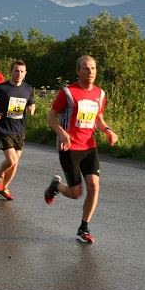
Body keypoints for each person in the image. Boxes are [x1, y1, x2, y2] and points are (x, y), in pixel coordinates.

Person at [44, 55, 118, 243]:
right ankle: (56, 186)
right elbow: (51, 117)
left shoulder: (100, 94)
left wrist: (108, 130)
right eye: (85, 68)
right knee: (76, 193)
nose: (90, 72)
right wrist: (61, 132)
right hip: (69, 147)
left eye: (92, 68)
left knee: (94, 186)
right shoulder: (68, 93)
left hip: (89, 146)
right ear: (78, 71)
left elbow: (98, 118)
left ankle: (83, 227)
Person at [0, 60, 35, 200]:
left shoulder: (28, 88)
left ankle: (4, 187)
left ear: (25, 73)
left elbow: (31, 102)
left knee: (15, 163)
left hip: (19, 129)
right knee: (11, 160)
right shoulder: (2, 88)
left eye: (21, 71)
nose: (19, 74)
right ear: (11, 72)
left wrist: (32, 108)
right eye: (16, 71)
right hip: (4, 128)